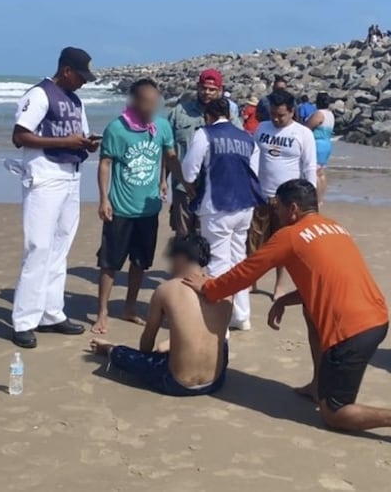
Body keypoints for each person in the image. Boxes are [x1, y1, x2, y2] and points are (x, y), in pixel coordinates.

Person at [182, 180, 391, 455]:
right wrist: (285, 299)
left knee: (334, 414)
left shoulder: (289, 235)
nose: (277, 215)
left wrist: (208, 288)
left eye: (279, 209)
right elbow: (327, 279)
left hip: (353, 332)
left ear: (292, 208)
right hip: (376, 317)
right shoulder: (335, 227)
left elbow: (247, 272)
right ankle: (319, 385)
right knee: (309, 309)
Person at [10, 47, 100, 348]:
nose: (84, 82)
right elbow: (19, 136)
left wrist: (87, 144)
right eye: (81, 76)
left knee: (61, 246)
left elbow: (79, 134)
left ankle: (51, 312)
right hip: (45, 174)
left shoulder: (75, 100)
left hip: (71, 175)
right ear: (66, 71)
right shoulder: (39, 94)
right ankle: (24, 320)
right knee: (38, 246)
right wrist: (65, 141)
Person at [90, 235, 231, 396]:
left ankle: (108, 349)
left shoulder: (166, 290)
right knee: (221, 341)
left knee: (130, 356)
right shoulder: (224, 288)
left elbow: (147, 341)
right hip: (216, 381)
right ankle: (174, 344)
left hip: (178, 384)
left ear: (181, 257)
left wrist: (142, 358)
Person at [93, 79, 177, 334]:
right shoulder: (117, 129)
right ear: (135, 100)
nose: (151, 106)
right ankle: (102, 312)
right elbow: (105, 163)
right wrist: (104, 199)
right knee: (110, 263)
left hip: (148, 209)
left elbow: (168, 154)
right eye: (147, 101)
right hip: (120, 208)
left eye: (155, 101)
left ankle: (129, 307)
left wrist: (166, 180)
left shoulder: (161, 126)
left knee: (140, 262)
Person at [181, 97, 262, 330]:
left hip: (217, 205)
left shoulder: (204, 134)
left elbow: (189, 171)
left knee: (218, 262)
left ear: (208, 115)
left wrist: (191, 184)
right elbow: (253, 172)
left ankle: (219, 322)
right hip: (245, 205)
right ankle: (241, 315)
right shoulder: (247, 138)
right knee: (239, 261)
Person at [249, 90, 318, 300]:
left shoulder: (303, 134)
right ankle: (251, 281)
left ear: (292, 112)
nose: (277, 119)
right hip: (261, 194)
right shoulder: (262, 128)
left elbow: (309, 168)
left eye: (281, 115)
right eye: (273, 114)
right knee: (253, 241)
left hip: (289, 200)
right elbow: (253, 158)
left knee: (284, 245)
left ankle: (280, 285)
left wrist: (311, 202)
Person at [166, 69, 241, 236]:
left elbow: (239, 150)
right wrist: (161, 182)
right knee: (183, 236)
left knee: (209, 237)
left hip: (214, 188)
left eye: (212, 89)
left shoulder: (231, 117)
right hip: (183, 187)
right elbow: (167, 150)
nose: (207, 93)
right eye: (203, 88)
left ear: (220, 90)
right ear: (198, 87)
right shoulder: (179, 113)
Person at [306, 92, 335, 203]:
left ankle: (316, 199)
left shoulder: (319, 114)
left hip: (317, 144)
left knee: (315, 172)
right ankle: (320, 199)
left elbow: (307, 127)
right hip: (327, 143)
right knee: (321, 172)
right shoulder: (330, 114)